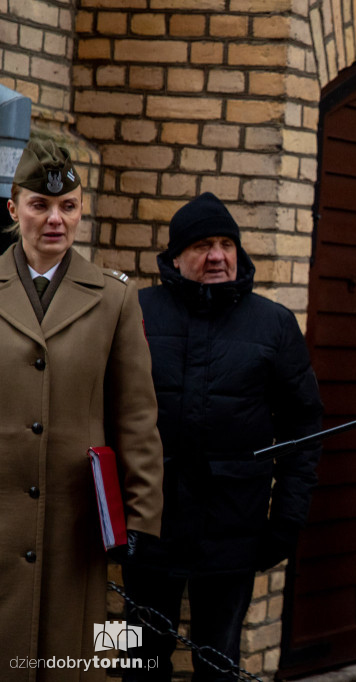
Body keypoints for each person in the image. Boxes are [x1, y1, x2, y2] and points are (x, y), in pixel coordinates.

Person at [121, 192, 323, 681]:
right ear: (173, 258)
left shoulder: (273, 323)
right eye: (201, 245)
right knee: (135, 660)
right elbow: (102, 415)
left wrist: (286, 520)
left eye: (225, 244)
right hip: (145, 529)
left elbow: (304, 428)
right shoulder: (133, 311)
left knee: (219, 664)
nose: (217, 255)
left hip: (235, 529)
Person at [0, 140, 164, 680]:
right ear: (12, 206)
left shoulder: (114, 298)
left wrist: (140, 517)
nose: (55, 220)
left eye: (67, 206)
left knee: (73, 660)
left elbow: (136, 417)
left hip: (77, 530)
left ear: (82, 208)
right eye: (39, 205)